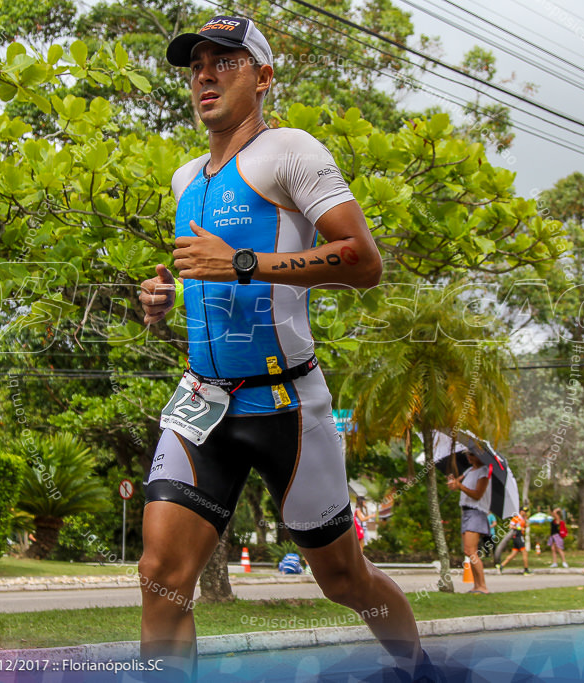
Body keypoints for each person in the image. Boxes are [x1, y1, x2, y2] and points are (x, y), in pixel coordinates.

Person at [137, 16, 440, 682]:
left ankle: (420, 668)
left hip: (287, 405)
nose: (206, 76)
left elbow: (363, 260)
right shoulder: (187, 177)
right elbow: (200, 270)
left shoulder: (292, 152)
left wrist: (244, 262)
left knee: (343, 577)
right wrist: (162, 293)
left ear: (264, 77)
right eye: (197, 67)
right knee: (160, 574)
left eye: (226, 62)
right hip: (203, 401)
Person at [447, 451, 492, 593]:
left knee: (471, 550)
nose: (469, 456)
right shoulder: (469, 470)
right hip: (466, 512)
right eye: (468, 454)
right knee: (468, 551)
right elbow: (458, 483)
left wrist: (460, 487)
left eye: (472, 454)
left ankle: (482, 586)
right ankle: (476, 585)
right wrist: (454, 483)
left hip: (476, 512)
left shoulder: (483, 472)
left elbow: (478, 494)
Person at [497, 506, 531, 575]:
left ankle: (501, 566)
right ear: (520, 511)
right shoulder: (516, 518)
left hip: (519, 536)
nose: (525, 513)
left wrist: (524, 526)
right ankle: (526, 570)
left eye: (526, 512)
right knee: (524, 552)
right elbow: (511, 526)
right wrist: (519, 528)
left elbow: (523, 526)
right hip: (518, 536)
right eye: (524, 511)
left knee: (513, 554)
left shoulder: (523, 519)